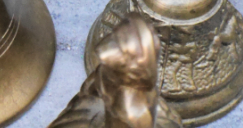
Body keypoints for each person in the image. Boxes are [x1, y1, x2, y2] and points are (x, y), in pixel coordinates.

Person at [48, 15, 181, 128]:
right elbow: (91, 87)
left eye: (117, 41)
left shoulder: (135, 108)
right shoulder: (106, 73)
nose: (107, 46)